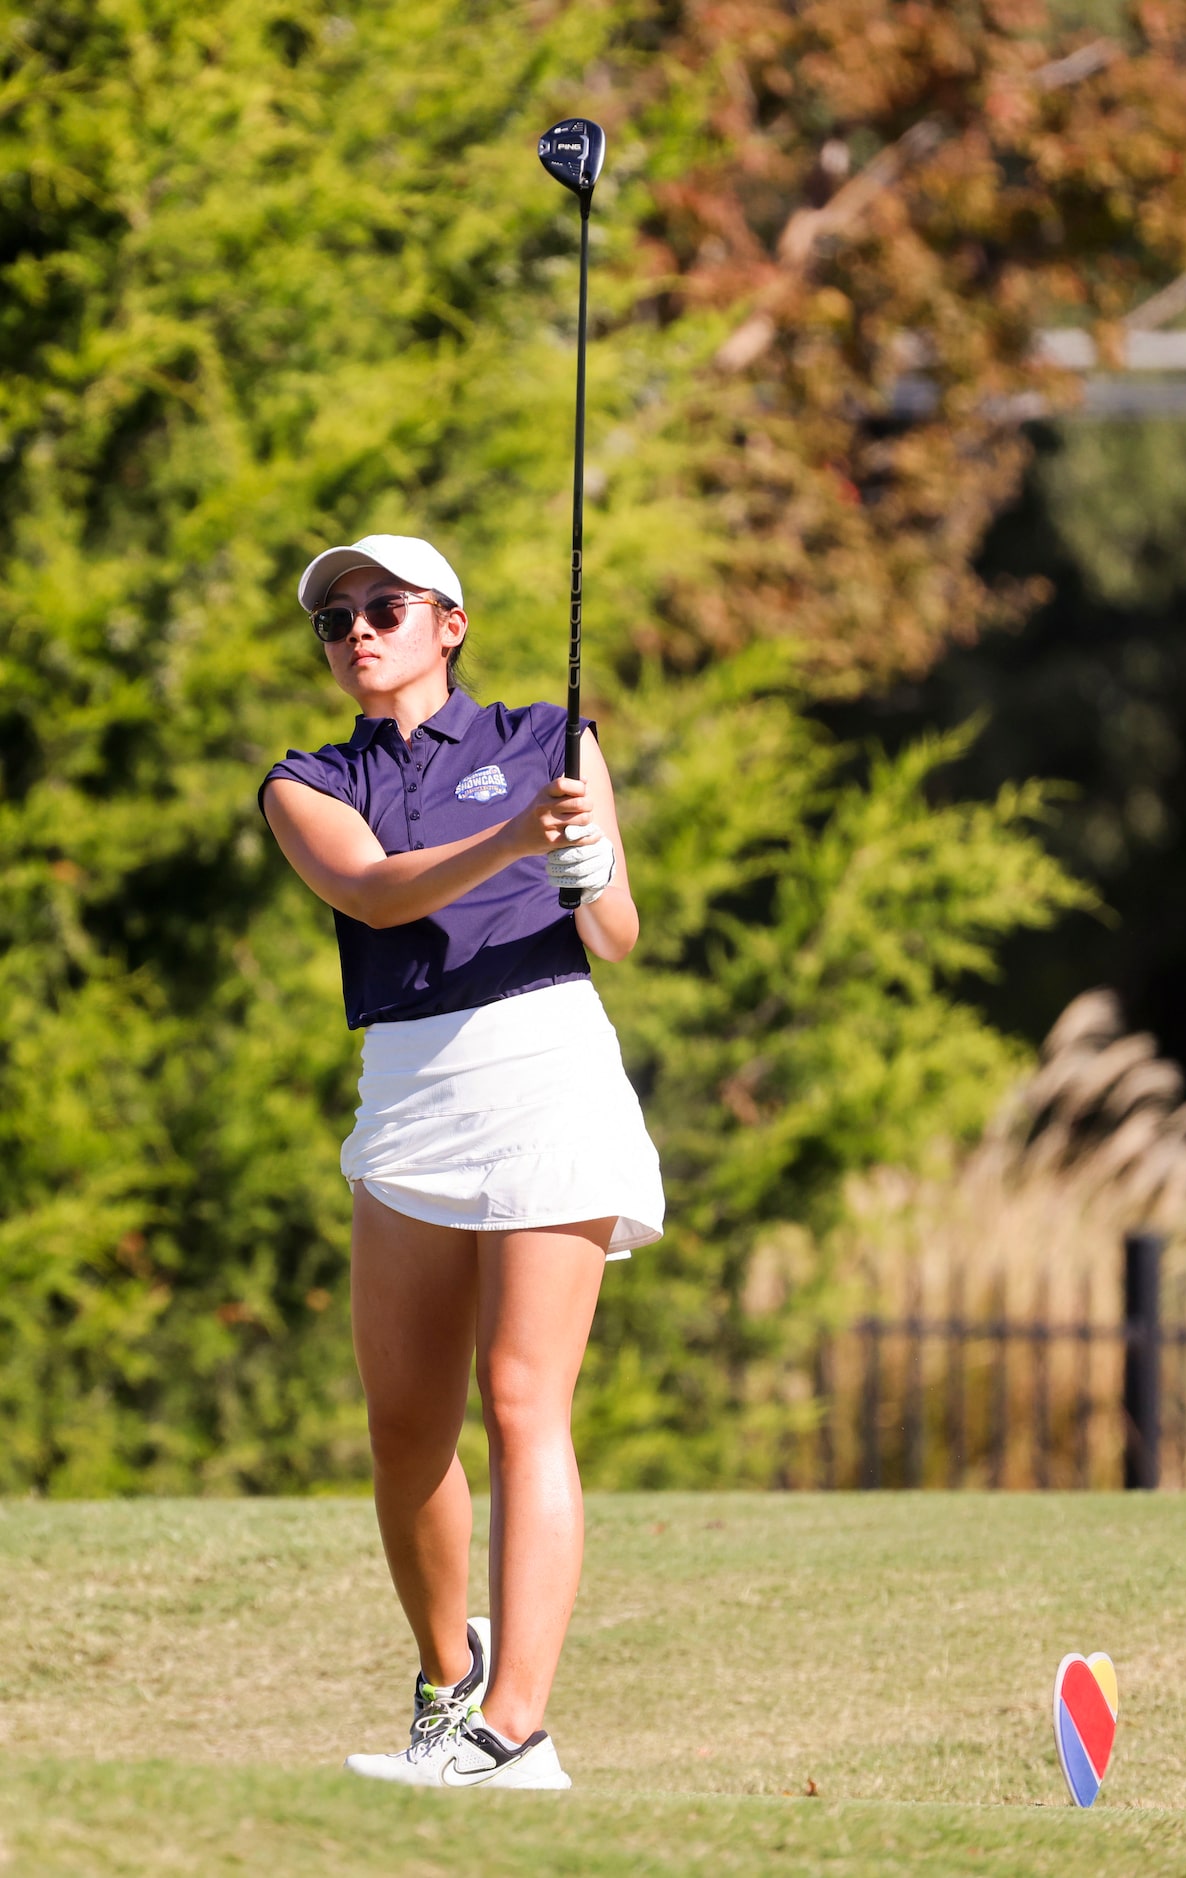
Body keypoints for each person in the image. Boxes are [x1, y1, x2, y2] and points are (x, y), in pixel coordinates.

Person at [259, 532, 663, 1792]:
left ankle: (516, 1730)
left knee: (520, 1396)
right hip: (411, 1091)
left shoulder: (549, 738)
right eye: (335, 621)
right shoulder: (306, 779)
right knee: (403, 1428)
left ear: (450, 621)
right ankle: (449, 1683)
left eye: (383, 607)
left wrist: (582, 860)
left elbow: (617, 932)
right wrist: (508, 846)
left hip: (546, 1063)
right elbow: (375, 896)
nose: (357, 632)